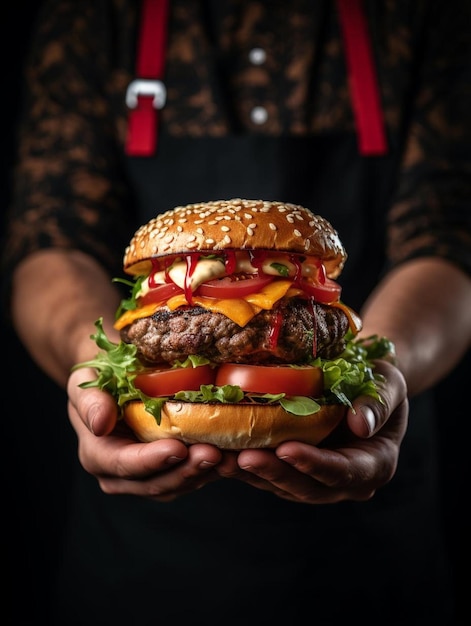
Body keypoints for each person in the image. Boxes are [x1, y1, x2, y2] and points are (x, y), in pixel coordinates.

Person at [2, 1, 470, 624]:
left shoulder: (416, 15)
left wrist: (384, 370)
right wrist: (96, 365)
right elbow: (50, 236)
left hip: (368, 548)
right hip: (141, 574)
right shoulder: (97, 14)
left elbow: (448, 238)